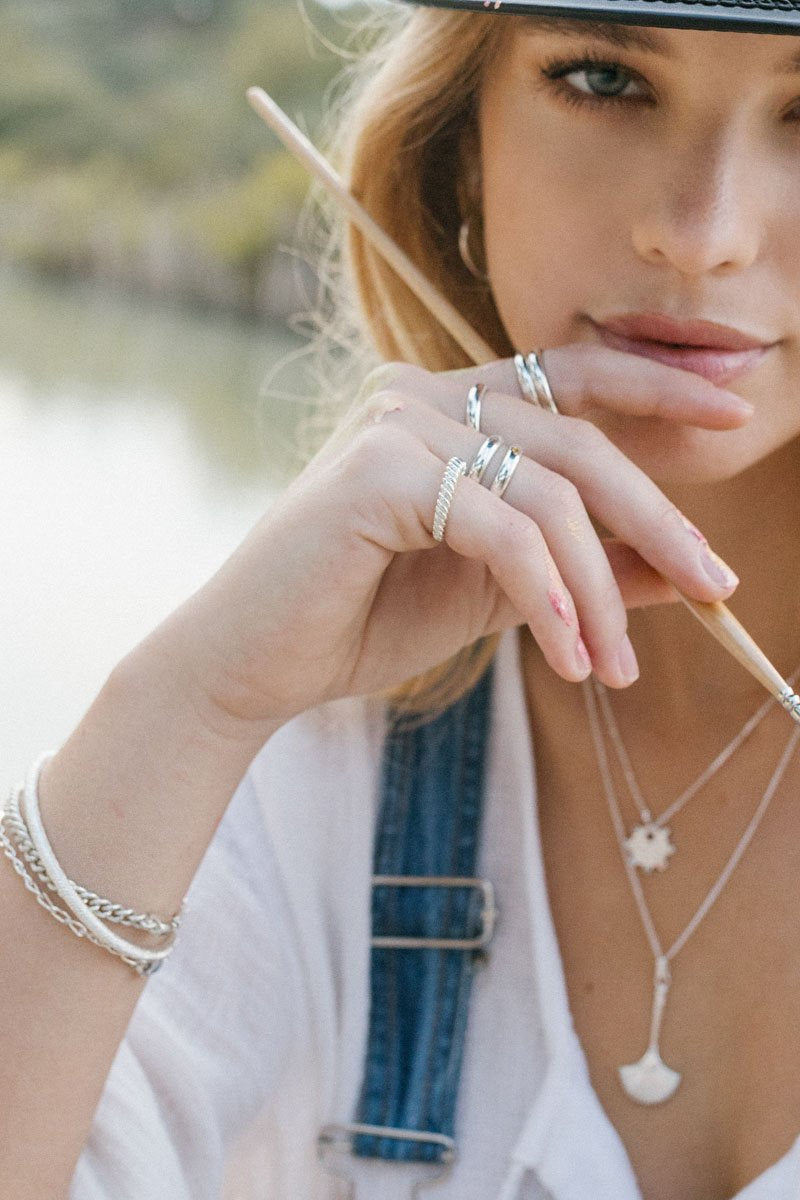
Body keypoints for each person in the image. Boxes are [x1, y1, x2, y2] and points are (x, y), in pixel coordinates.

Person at [3, 0, 800, 1194]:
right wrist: (188, 704)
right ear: (458, 154)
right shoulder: (305, 762)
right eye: (599, 80)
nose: (699, 235)